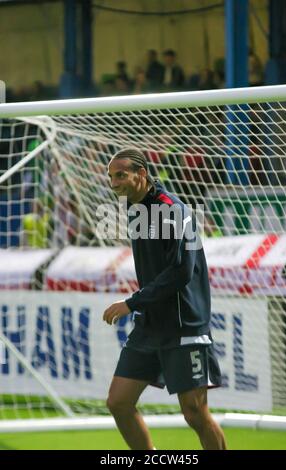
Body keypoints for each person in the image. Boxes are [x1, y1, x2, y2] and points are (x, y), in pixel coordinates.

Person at [103, 148, 226, 450]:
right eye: (110, 177)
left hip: (184, 326)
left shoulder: (175, 210)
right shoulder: (134, 209)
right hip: (150, 325)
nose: (114, 183)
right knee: (118, 402)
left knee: (195, 413)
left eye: (121, 175)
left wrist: (132, 302)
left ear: (141, 174)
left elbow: (182, 271)